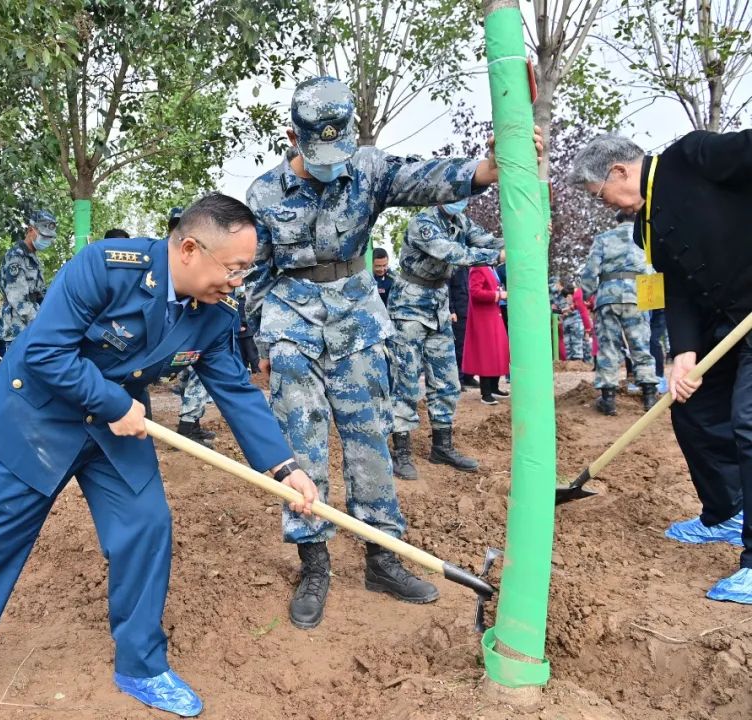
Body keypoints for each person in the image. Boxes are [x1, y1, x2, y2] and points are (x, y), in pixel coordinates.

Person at [0, 194, 319, 720]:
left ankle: (141, 665)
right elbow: (45, 353)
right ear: (189, 249)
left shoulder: (213, 313)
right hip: (36, 414)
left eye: (245, 270)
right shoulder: (105, 267)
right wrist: (113, 402)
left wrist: (286, 467)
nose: (237, 281)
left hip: (115, 427)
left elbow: (235, 389)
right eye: (233, 269)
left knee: (146, 526)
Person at [245, 76, 538, 629]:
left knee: (370, 441)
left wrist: (488, 167)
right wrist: (263, 337)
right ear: (293, 136)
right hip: (292, 325)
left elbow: (429, 178)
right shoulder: (264, 193)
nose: (334, 161)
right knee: (302, 448)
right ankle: (315, 563)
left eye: (342, 147)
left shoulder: (371, 169)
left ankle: (382, 556)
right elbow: (256, 272)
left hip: (357, 318)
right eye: (319, 150)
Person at [570, 130, 752, 603]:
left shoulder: (691, 158)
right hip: (725, 325)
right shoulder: (642, 227)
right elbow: (679, 291)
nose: (602, 204)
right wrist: (684, 354)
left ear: (619, 172)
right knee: (691, 408)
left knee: (749, 422)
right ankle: (726, 512)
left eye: (599, 194)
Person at [387, 200, 504, 480]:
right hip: (409, 306)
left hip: (438, 305)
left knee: (446, 379)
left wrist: (529, 236)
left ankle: (442, 446)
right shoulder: (423, 224)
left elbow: (489, 239)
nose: (460, 199)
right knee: (405, 378)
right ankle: (401, 449)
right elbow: (452, 252)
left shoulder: (460, 221)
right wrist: (497, 256)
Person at [579, 213, 659, 414]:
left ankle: (608, 400)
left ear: (617, 219)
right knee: (640, 344)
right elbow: (652, 270)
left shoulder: (604, 239)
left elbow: (590, 271)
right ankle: (649, 395)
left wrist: (588, 293)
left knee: (608, 347)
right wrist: (653, 303)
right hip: (636, 296)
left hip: (608, 297)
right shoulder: (646, 239)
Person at [0, 209, 55, 347]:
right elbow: (17, 298)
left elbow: (41, 293)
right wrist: (42, 323)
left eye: (49, 238)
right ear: (31, 230)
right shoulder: (16, 257)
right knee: (18, 368)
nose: (46, 241)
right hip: (18, 328)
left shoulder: (33, 258)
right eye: (43, 236)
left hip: (32, 327)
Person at [463, 266, 510, 404]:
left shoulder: (490, 267)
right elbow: (475, 292)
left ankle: (494, 387)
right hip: (483, 317)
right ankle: (486, 393)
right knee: (487, 354)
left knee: (498, 351)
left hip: (493, 313)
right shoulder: (478, 268)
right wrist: (498, 295)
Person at [448, 266, 475, 387]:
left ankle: (469, 376)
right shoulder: (453, 268)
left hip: (472, 312)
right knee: (460, 346)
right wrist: (451, 310)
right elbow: (447, 291)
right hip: (459, 312)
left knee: (472, 346)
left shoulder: (470, 268)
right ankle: (459, 378)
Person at [236, 290, 261, 373]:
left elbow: (248, 308)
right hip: (235, 334)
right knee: (240, 362)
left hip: (248, 332)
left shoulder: (246, 291)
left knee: (254, 360)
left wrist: (243, 323)